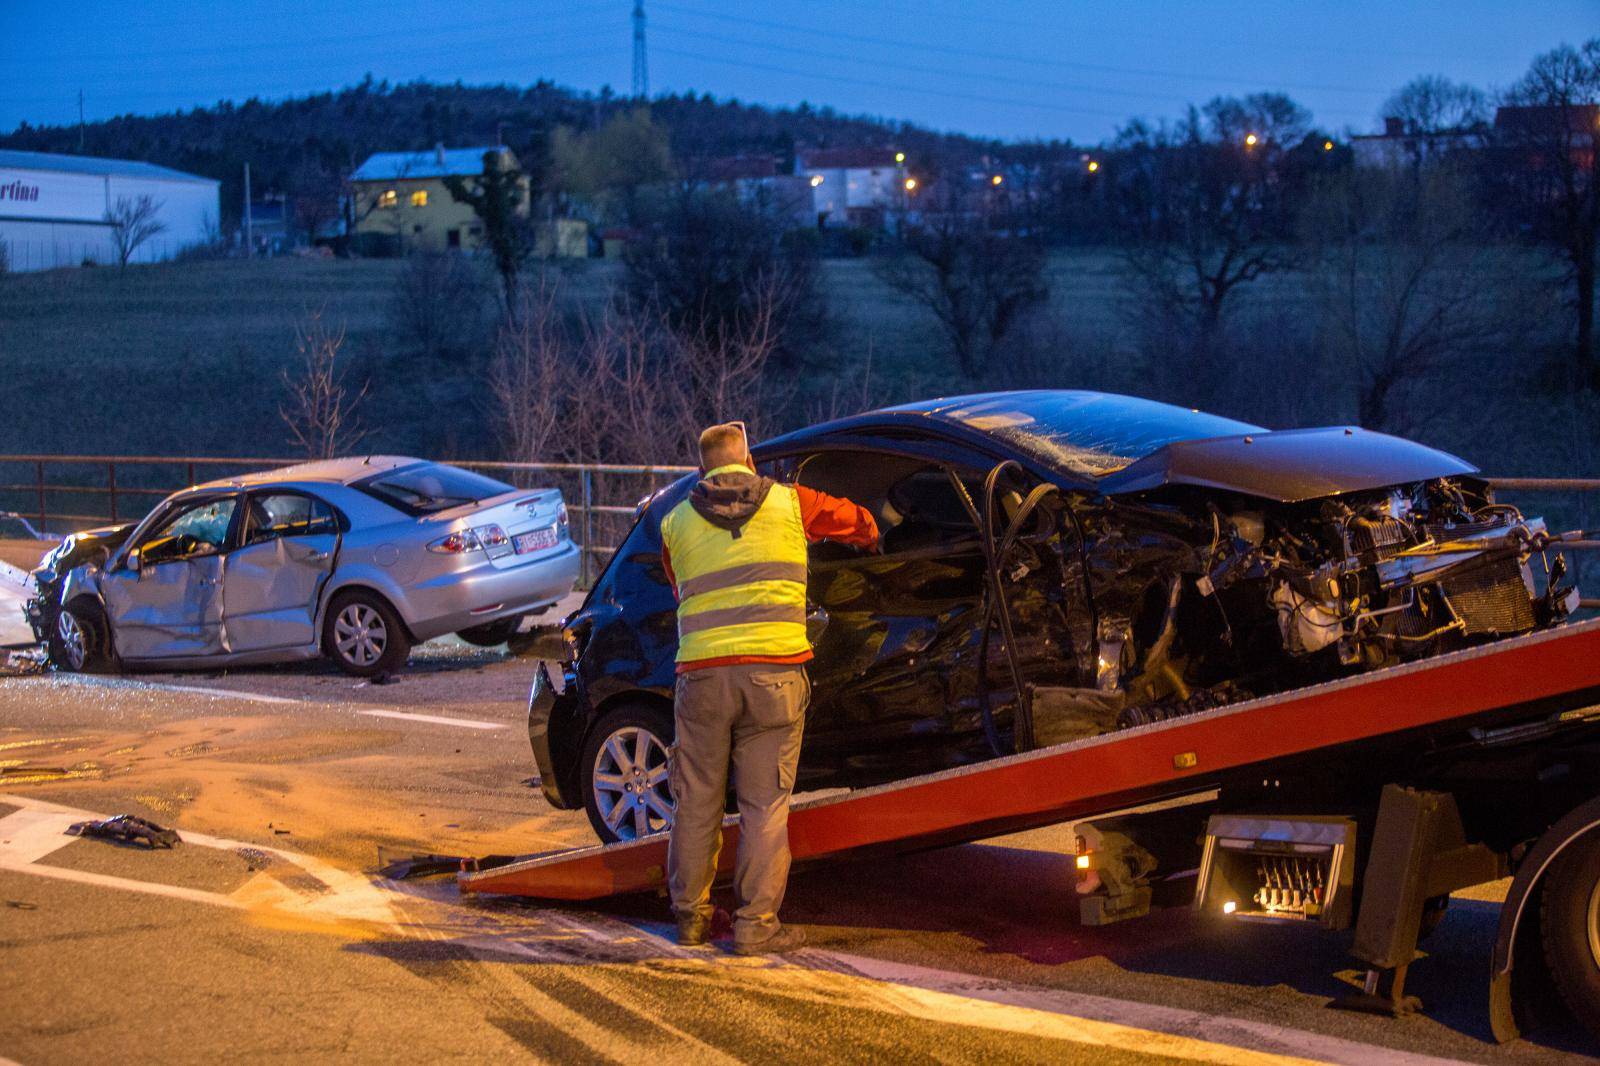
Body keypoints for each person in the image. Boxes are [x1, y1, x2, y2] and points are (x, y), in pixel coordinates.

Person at [659, 421, 879, 953]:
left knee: (698, 803)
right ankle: (756, 927)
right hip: (775, 677)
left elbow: (677, 586)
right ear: (750, 461)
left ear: (702, 469)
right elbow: (863, 524)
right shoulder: (792, 502)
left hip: (703, 679)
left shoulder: (674, 523)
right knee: (764, 806)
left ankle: (690, 919)